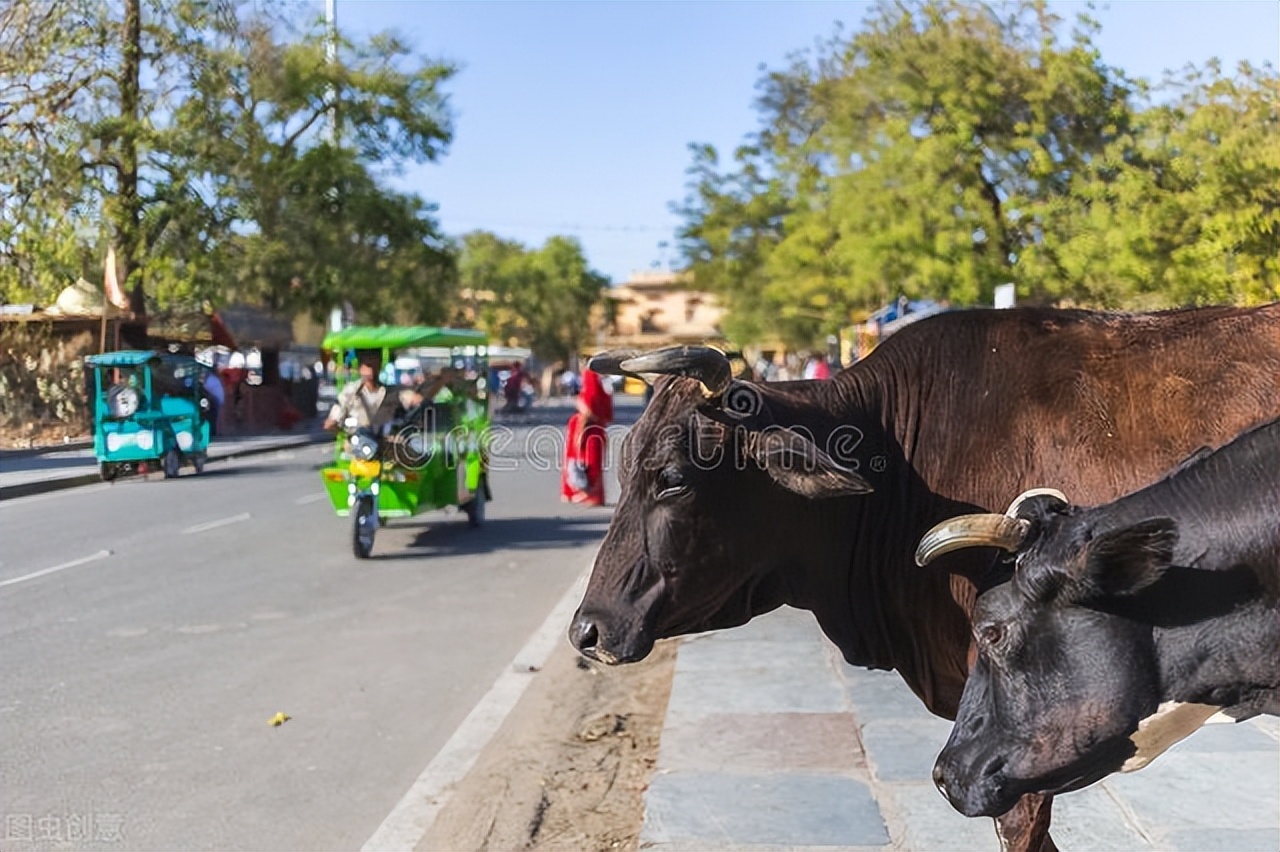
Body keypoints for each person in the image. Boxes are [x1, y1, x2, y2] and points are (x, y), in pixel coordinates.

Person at [323, 350, 410, 433]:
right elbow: (333, 420)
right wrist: (342, 431)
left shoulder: (389, 392)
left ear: (379, 365)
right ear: (359, 366)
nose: (370, 370)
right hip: (358, 440)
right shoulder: (350, 392)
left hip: (384, 440)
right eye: (367, 364)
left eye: (374, 363)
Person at [561, 367, 613, 506]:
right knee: (591, 462)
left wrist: (580, 433)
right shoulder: (602, 390)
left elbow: (588, 411)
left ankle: (585, 493)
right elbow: (608, 414)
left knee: (586, 461)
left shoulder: (589, 390)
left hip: (587, 429)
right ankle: (589, 493)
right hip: (595, 429)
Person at [202, 368, 224, 436]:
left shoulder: (211, 380)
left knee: (211, 420)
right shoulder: (213, 379)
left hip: (213, 403)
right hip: (215, 402)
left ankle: (212, 433)